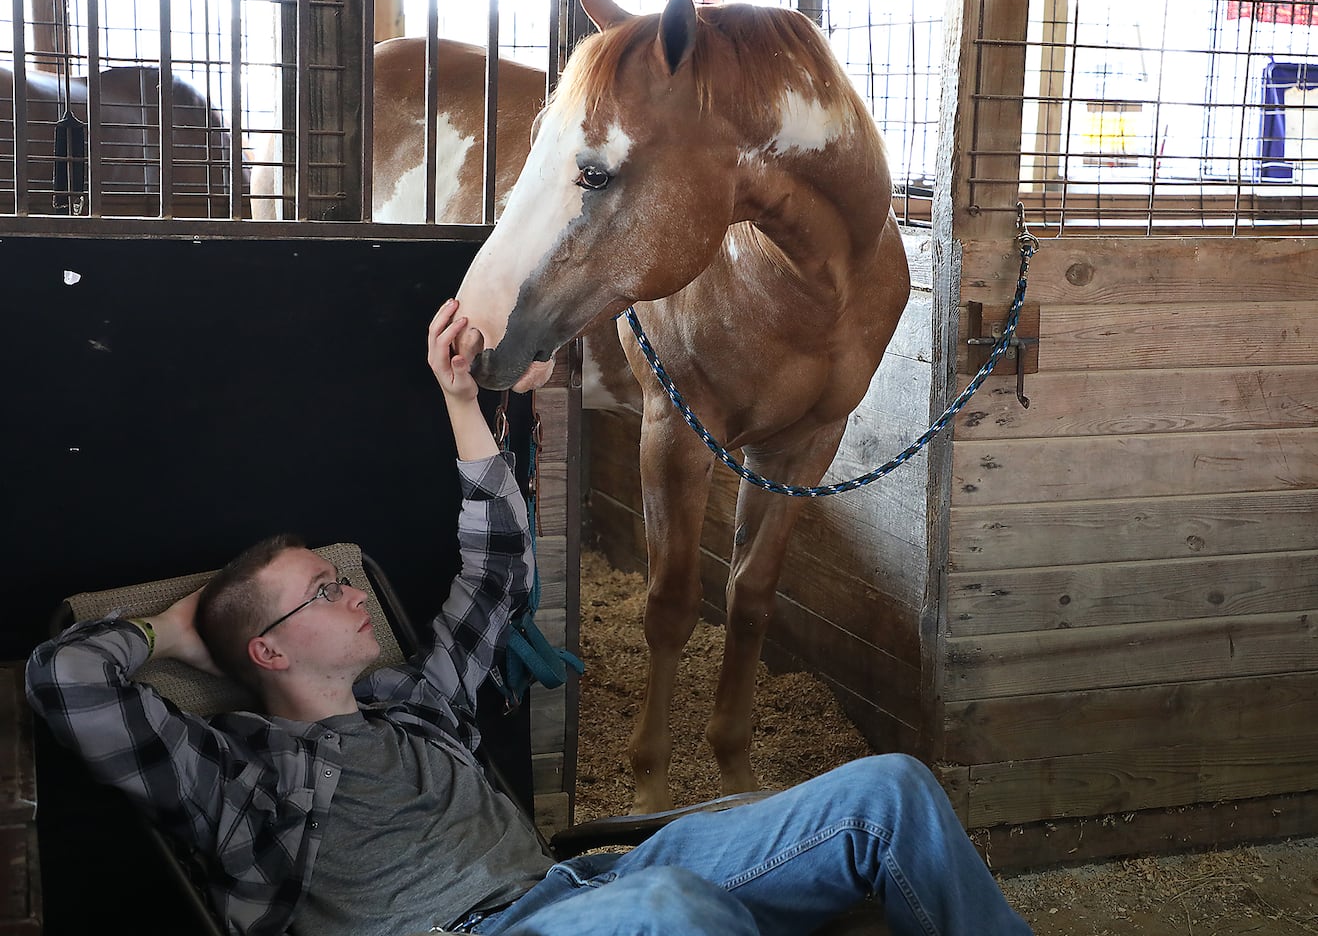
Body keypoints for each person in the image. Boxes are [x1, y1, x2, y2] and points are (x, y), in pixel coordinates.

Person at [26, 299, 1034, 936]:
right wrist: (172, 631)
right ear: (269, 647)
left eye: (338, 579)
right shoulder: (228, 774)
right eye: (321, 592)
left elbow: (497, 566)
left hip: (586, 887)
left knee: (887, 792)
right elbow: (63, 680)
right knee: (675, 909)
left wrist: (465, 400)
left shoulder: (418, 700)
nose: (346, 588)